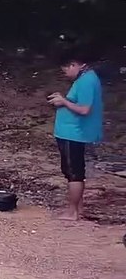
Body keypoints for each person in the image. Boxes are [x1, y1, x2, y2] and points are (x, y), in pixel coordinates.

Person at [48, 49, 104, 221]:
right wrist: (62, 99)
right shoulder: (85, 78)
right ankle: (78, 209)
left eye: (65, 69)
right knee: (73, 171)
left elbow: (85, 109)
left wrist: (64, 101)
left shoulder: (87, 81)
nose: (65, 73)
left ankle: (72, 212)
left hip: (74, 133)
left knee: (74, 173)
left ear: (74, 65)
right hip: (70, 132)